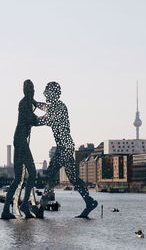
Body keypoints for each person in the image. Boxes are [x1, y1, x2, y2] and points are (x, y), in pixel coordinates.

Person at [34, 82, 98, 218]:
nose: (45, 94)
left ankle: (40, 210)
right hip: (66, 146)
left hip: (64, 148)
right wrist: (35, 103)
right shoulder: (56, 106)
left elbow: (46, 119)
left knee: (50, 176)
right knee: (74, 179)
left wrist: (31, 119)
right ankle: (89, 201)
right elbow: (46, 108)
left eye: (47, 92)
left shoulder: (60, 107)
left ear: (53, 93)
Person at [1, 80, 37, 219]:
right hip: (21, 142)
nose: (33, 90)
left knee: (17, 179)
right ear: (25, 90)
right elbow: (32, 120)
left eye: (33, 88)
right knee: (32, 173)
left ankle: (5, 210)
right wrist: (48, 119)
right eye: (30, 88)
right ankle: (24, 206)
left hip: (19, 141)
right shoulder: (24, 104)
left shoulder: (27, 102)